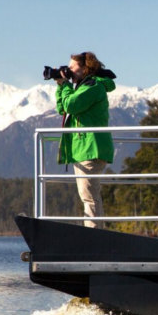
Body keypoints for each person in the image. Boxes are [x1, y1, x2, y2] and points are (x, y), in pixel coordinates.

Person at [54, 51, 116, 229]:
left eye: (73, 67)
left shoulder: (93, 86)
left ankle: (94, 235)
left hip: (90, 148)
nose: (69, 70)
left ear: (85, 69)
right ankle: (94, 232)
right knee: (88, 195)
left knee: (89, 195)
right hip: (84, 148)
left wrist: (65, 84)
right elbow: (62, 108)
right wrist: (61, 86)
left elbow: (71, 105)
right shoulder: (83, 87)